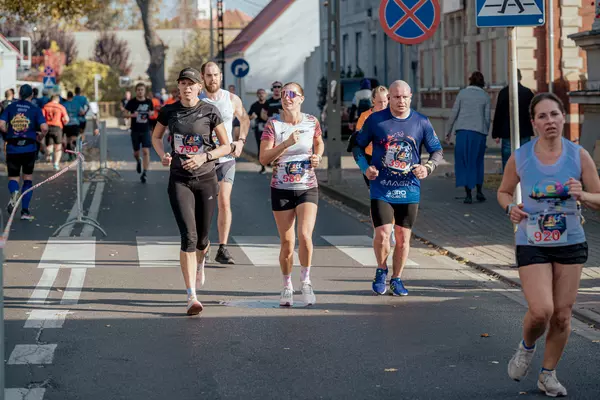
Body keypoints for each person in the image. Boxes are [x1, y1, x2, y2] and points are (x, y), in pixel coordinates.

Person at [497, 93, 600, 397]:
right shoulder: (521, 156)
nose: (550, 121)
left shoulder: (579, 156)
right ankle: (526, 347)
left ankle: (547, 374)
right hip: (532, 240)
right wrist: (510, 208)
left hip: (570, 241)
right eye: (542, 116)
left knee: (563, 315)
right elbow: (504, 191)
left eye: (554, 114)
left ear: (563, 118)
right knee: (542, 310)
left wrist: (583, 195)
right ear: (534, 123)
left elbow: (598, 198)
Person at [151, 67, 231, 315]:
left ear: (199, 87)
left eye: (191, 83)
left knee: (203, 239)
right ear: (178, 86)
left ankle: (201, 261)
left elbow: (226, 146)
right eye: (183, 83)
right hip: (179, 180)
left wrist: (204, 156)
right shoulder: (169, 111)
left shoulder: (210, 111)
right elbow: (156, 137)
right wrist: (162, 155)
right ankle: (191, 296)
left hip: (206, 178)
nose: (187, 87)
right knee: (189, 236)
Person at [351, 80, 443, 296]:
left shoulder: (421, 122)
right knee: (383, 233)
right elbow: (356, 146)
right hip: (381, 187)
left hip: (409, 188)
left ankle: (397, 278)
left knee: (402, 238)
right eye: (396, 97)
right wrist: (365, 168)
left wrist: (428, 167)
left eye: (404, 97)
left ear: (411, 97)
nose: (401, 101)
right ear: (389, 98)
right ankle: (381, 269)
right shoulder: (376, 120)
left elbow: (437, 150)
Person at [259, 82, 324, 307]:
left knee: (305, 235)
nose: (287, 98)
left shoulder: (312, 121)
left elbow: (319, 143)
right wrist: (285, 143)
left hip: (307, 186)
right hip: (281, 188)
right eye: (284, 94)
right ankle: (287, 284)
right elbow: (263, 158)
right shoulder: (273, 125)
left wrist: (317, 157)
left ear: (301, 99)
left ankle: (306, 281)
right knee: (287, 243)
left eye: (292, 94)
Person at [199, 61, 250, 265]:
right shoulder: (196, 99)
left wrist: (241, 141)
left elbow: (244, 119)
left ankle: (223, 247)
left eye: (216, 75)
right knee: (204, 204)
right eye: (208, 75)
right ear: (203, 78)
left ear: (221, 76)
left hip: (226, 159)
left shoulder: (231, 99)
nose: (213, 79)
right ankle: (203, 244)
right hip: (204, 160)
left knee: (224, 202)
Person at [0, 84, 48, 220]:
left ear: (19, 94)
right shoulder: (35, 109)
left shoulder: (10, 107)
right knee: (27, 179)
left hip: (13, 148)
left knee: (13, 177)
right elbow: (44, 128)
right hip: (29, 148)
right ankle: (25, 212)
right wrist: (39, 137)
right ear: (31, 95)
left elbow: (1, 124)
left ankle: (14, 192)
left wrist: (8, 132)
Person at [445, 71, 492, 203]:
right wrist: (486, 132)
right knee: (477, 162)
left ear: (470, 80)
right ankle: (479, 191)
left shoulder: (462, 93)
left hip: (462, 132)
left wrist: (448, 131)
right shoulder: (485, 96)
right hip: (478, 133)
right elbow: (487, 118)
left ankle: (468, 194)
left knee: (464, 162)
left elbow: (454, 113)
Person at [492, 69, 535, 172]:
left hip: (507, 131)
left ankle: (508, 179)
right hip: (524, 130)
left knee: (508, 160)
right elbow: (533, 112)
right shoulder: (528, 93)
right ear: (520, 77)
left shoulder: (503, 92)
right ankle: (523, 179)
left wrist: (496, 134)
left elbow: (499, 114)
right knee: (524, 160)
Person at [125, 83, 154, 183]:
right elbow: (124, 114)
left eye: (142, 90)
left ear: (144, 91)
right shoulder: (132, 102)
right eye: (138, 90)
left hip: (145, 129)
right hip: (135, 130)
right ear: (136, 91)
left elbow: (152, 113)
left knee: (146, 151)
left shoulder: (149, 102)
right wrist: (132, 115)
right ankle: (138, 160)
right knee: (136, 153)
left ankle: (144, 173)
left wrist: (151, 114)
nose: (140, 91)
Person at [42, 95, 69, 170]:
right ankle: (56, 163)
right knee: (58, 147)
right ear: (58, 100)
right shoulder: (60, 107)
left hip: (48, 127)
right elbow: (66, 119)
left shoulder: (45, 106)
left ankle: (49, 155)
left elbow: (41, 118)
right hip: (57, 128)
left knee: (49, 145)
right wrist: (64, 123)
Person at [248, 88, 269, 174]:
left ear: (266, 95)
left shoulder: (269, 104)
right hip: (259, 128)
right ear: (257, 95)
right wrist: (252, 117)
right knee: (260, 147)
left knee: (271, 145)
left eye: (263, 93)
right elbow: (248, 117)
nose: (261, 95)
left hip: (270, 127)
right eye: (259, 93)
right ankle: (263, 167)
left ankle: (270, 162)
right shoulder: (254, 105)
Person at [63, 91, 82, 161]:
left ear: (67, 96)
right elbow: (82, 112)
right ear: (72, 97)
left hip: (67, 124)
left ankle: (70, 156)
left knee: (68, 140)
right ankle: (75, 152)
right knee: (74, 139)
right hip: (75, 123)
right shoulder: (77, 103)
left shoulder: (64, 104)